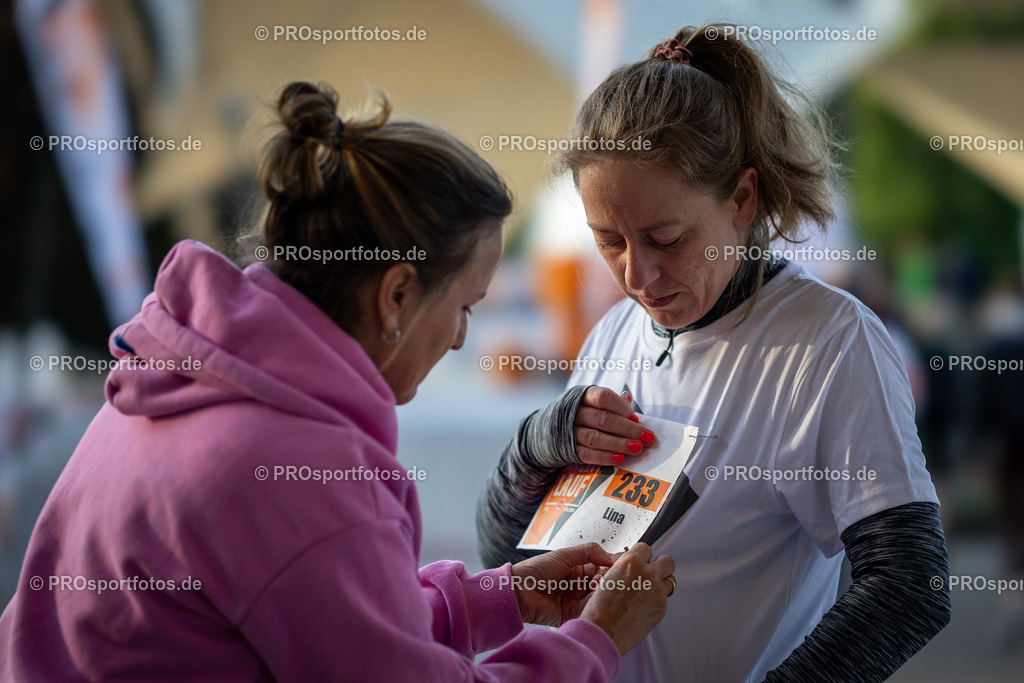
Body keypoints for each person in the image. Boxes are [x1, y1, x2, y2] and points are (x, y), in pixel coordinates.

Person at [0, 81, 675, 681]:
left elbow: (317, 614)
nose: (463, 337)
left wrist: (502, 598)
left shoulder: (187, 373)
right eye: (463, 305)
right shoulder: (301, 468)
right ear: (396, 297)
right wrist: (595, 640)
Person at [478, 25, 951, 682]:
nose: (637, 275)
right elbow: (510, 568)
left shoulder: (829, 340)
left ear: (743, 198)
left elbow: (911, 585)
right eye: (608, 241)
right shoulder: (615, 331)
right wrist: (533, 446)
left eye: (665, 238)